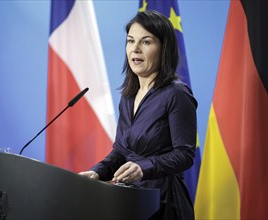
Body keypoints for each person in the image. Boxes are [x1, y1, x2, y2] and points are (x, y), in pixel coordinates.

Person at [79, 10, 197, 220]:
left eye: (146, 42)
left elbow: (185, 155)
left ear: (164, 48)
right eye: (131, 41)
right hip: (130, 202)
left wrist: (143, 168)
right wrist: (97, 172)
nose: (135, 49)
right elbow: (120, 152)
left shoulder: (176, 94)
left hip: (165, 204)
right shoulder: (128, 96)